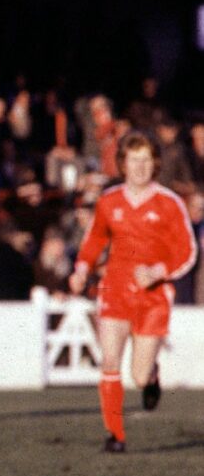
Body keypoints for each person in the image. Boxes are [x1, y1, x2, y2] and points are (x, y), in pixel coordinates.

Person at [68, 131, 197, 454]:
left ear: (154, 164)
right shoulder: (109, 201)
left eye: (145, 160)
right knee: (109, 361)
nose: (139, 167)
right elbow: (95, 239)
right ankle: (115, 435)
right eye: (132, 160)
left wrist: (158, 271)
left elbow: (187, 250)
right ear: (122, 163)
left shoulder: (169, 203)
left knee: (137, 376)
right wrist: (82, 268)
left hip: (152, 297)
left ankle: (151, 376)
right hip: (114, 289)